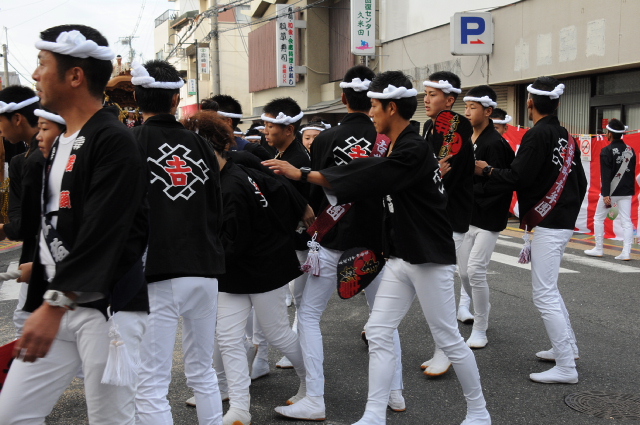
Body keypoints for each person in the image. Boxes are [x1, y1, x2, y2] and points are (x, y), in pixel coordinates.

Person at [265, 70, 491, 425]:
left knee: (448, 338)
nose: (370, 112)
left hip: (428, 257)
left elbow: (371, 173)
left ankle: (479, 412)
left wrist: (304, 174)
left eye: (374, 106)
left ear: (391, 108)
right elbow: (372, 170)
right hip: (399, 256)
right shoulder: (400, 144)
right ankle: (373, 414)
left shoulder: (412, 148)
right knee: (379, 331)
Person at [0, 24, 149, 425]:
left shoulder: (112, 139)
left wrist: (54, 303)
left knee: (110, 421)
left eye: (42, 64)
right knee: (11, 414)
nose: (35, 74)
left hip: (105, 308)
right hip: (57, 300)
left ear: (75, 75)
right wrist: (42, 273)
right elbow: (58, 225)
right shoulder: (61, 142)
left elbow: (105, 231)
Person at [272, 65, 405, 422]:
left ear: (343, 97)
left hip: (333, 240)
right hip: (376, 243)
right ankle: (394, 391)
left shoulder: (326, 139)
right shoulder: (387, 137)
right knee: (383, 319)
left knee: (309, 315)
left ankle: (315, 397)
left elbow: (317, 192)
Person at [184, 110, 307, 425]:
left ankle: (311, 382)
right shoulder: (228, 171)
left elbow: (233, 241)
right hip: (234, 271)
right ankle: (240, 407)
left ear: (208, 149)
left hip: (262, 269)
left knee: (277, 333)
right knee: (227, 337)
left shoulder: (233, 184)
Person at [130, 60, 225, 425]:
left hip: (158, 271)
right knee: (203, 371)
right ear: (175, 99)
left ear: (137, 97)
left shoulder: (131, 142)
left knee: (151, 381)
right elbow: (216, 207)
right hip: (205, 268)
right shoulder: (201, 145)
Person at [475, 76, 587, 383]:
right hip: (561, 218)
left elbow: (517, 177)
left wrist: (486, 170)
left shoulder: (537, 135)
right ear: (558, 103)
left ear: (530, 102)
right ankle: (567, 348)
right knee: (550, 288)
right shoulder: (565, 135)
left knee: (544, 293)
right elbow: (581, 181)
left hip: (549, 221)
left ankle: (566, 367)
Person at [421, 71, 475, 376]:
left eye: (433, 95)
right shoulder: (431, 125)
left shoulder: (454, 124)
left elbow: (441, 170)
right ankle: (443, 348)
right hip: (434, 214)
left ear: (450, 100)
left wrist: (422, 175)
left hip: (449, 215)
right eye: (425, 94)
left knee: (439, 286)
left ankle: (447, 349)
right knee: (430, 285)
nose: (426, 100)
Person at [457, 86, 515, 349]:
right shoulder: (466, 137)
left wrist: (472, 185)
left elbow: (504, 182)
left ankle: (481, 326)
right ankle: (480, 306)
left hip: (488, 217)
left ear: (488, 111)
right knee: (464, 273)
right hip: (465, 214)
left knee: (475, 271)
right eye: (466, 107)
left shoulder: (496, 143)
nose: (467, 112)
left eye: (473, 107)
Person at [584, 118, 636, 260]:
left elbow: (605, 175)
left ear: (610, 134)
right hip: (626, 191)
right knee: (627, 221)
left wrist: (606, 194)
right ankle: (626, 252)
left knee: (598, 218)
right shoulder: (631, 150)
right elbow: (631, 172)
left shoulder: (606, 151)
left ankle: (599, 248)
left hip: (611, 192)